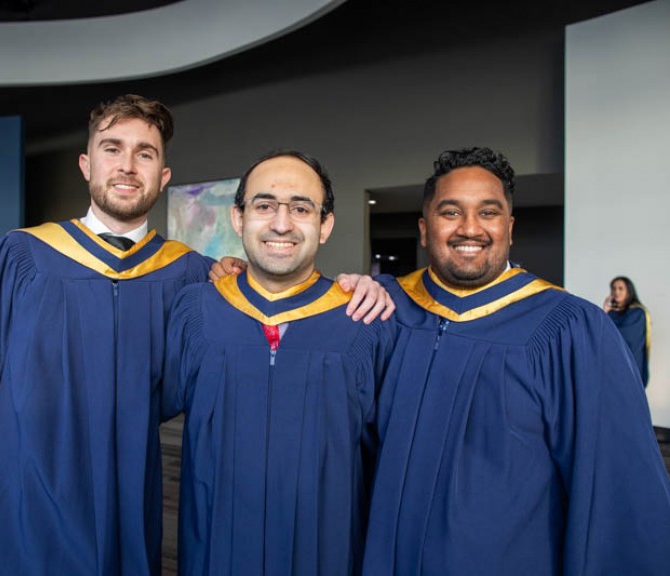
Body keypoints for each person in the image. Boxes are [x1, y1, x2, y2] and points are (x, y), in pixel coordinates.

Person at [0, 95, 389, 576]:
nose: (127, 166)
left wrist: (363, 287)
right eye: (112, 148)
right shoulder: (22, 257)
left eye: (145, 153)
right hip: (17, 507)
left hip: (126, 510)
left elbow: (275, 316)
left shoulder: (193, 278)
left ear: (164, 175)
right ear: (86, 163)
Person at [362, 147, 670, 575]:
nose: (470, 228)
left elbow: (618, 489)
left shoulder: (570, 328)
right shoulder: (382, 313)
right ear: (423, 227)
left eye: (488, 213)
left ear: (509, 227)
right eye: (450, 212)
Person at [161, 150, 396, 575]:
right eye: (264, 205)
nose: (281, 223)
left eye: (301, 208)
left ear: (325, 225)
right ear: (238, 218)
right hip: (216, 551)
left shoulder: (365, 321)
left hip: (328, 554)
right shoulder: (194, 310)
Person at [603, 275, 651, 386]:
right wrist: (605, 312)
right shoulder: (611, 312)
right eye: (613, 288)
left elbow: (625, 336)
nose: (616, 292)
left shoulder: (637, 313)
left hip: (630, 364)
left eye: (620, 288)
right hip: (611, 364)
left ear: (629, 291)